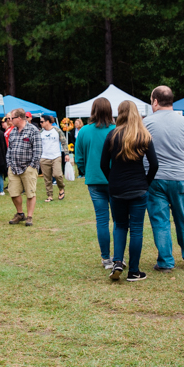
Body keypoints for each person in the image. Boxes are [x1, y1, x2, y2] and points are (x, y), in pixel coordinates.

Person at [100, 101, 159, 281]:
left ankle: (117, 261)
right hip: (138, 187)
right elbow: (155, 165)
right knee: (136, 229)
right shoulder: (143, 135)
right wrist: (145, 183)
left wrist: (113, 180)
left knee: (119, 225)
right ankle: (134, 270)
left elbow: (103, 164)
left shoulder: (112, 135)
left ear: (120, 113)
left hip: (117, 188)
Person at [143, 86, 184, 270]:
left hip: (155, 178)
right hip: (180, 176)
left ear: (156, 101)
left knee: (160, 221)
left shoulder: (146, 123)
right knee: (183, 217)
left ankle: (166, 261)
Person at [75, 97, 116, 269]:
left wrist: (86, 171)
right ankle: (118, 256)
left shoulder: (84, 131)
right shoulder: (117, 130)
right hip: (115, 179)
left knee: (102, 220)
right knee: (119, 221)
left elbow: (79, 158)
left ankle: (106, 258)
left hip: (94, 180)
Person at [5, 108, 41, 226]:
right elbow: (9, 149)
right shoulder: (13, 131)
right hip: (14, 168)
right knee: (14, 192)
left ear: (19, 118)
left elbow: (38, 150)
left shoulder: (33, 130)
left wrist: (32, 166)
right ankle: (20, 214)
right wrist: (9, 164)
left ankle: (29, 216)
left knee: (30, 193)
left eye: (11, 118)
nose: (9, 120)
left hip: (28, 167)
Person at [38, 115, 68, 202]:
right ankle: (50, 195)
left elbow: (64, 142)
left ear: (47, 121)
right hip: (44, 158)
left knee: (57, 174)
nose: (40, 123)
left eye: (42, 121)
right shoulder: (40, 133)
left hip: (56, 156)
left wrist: (66, 154)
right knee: (47, 179)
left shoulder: (57, 130)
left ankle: (61, 188)